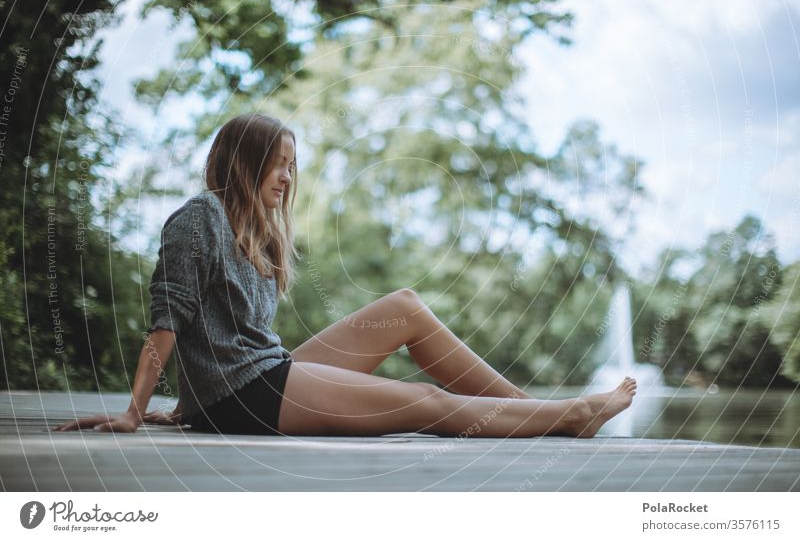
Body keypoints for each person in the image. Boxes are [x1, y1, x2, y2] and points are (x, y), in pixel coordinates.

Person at [52, 113, 637, 438]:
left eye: (291, 166)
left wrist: (186, 401)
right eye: (277, 165)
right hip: (248, 396)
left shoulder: (257, 231)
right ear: (244, 162)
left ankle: (534, 414)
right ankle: (569, 416)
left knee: (405, 306)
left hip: (260, 375)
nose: (286, 178)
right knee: (427, 401)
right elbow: (169, 320)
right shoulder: (197, 218)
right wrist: (136, 409)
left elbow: (223, 335)